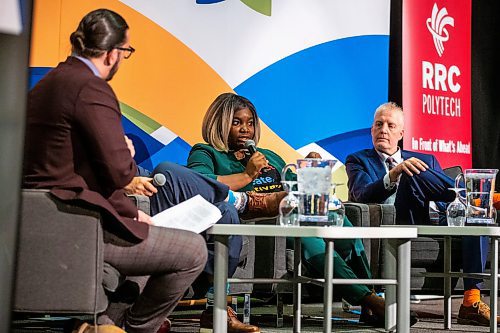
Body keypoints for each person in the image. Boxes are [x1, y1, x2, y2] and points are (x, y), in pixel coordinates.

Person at [22, 9, 211, 333]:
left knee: (142, 248)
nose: (123, 60)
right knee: (193, 251)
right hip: (76, 223)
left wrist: (128, 214)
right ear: (112, 53)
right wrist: (127, 149)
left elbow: (82, 169)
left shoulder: (49, 83)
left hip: (47, 218)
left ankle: (102, 325)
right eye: (125, 53)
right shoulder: (91, 88)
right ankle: (136, 329)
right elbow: (120, 170)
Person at [186, 92, 389, 326]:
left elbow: (296, 184)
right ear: (219, 123)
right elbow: (198, 184)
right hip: (258, 222)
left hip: (291, 214)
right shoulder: (206, 152)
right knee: (307, 235)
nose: (245, 129)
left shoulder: (269, 156)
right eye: (237, 122)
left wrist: (311, 169)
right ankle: (370, 301)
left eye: (250, 123)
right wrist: (247, 175)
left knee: (338, 219)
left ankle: (370, 301)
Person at [346, 102, 494, 326]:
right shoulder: (358, 160)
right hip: (399, 218)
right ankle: (481, 196)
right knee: (410, 173)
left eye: (390, 125)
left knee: (475, 216)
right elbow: (361, 195)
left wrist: (455, 213)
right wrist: (394, 174)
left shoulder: (427, 159)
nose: (383, 129)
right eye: (378, 124)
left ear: (401, 133)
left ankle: (470, 302)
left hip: (432, 218)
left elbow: (441, 197)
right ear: (371, 130)